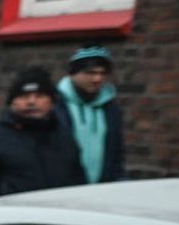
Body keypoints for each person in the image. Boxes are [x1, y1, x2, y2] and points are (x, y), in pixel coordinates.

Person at [0, 67, 84, 207]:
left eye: (39, 96)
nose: (31, 101)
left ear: (51, 102)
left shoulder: (64, 138)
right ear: (12, 102)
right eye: (24, 96)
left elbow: (78, 183)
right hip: (10, 222)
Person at [54, 45, 126, 184]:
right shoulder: (55, 105)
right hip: (62, 189)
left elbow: (116, 151)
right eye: (90, 72)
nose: (97, 79)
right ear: (73, 73)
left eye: (102, 73)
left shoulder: (110, 108)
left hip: (101, 188)